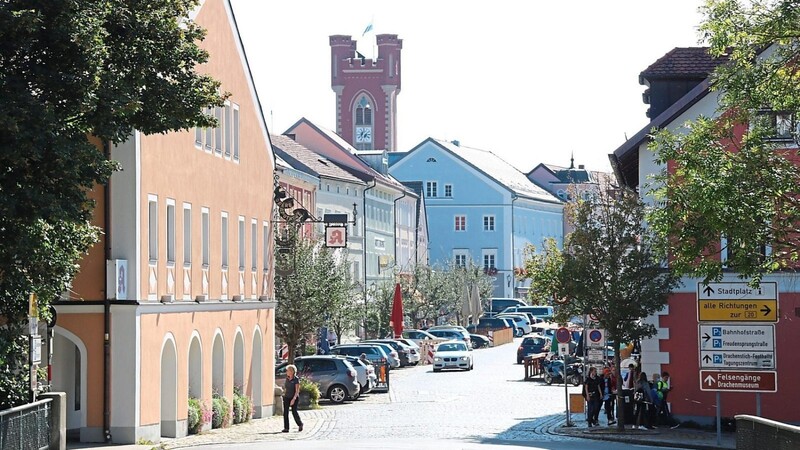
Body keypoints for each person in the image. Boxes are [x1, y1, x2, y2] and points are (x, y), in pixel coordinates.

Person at [282, 364, 304, 433]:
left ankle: (300, 424)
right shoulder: (287, 379)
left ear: (292, 371)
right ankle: (286, 428)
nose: (287, 372)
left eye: (288, 370)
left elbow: (297, 391)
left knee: (294, 412)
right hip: (287, 397)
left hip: (294, 397)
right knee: (285, 412)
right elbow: (285, 388)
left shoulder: (296, 379)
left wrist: (293, 399)